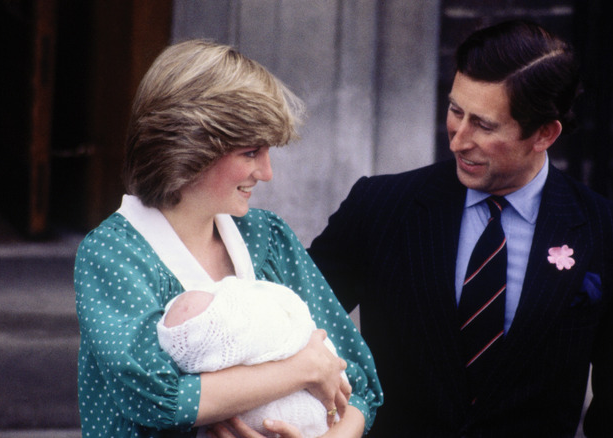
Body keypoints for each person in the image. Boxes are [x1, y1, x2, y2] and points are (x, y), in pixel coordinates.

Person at [308, 20, 613, 437]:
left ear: (544, 133)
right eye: (456, 111)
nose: (458, 139)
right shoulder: (380, 207)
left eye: (485, 125)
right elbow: (289, 326)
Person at [74, 40, 382, 438]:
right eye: (251, 152)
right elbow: (158, 398)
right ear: (189, 147)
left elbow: (358, 382)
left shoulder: (268, 236)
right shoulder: (113, 255)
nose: (267, 172)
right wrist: (303, 368)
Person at [156, 277, 349, 438]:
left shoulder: (270, 237)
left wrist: (334, 427)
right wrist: (308, 366)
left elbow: (361, 398)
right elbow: (165, 400)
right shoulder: (136, 270)